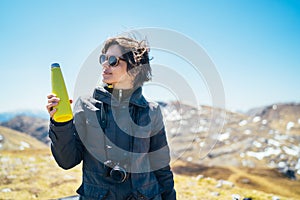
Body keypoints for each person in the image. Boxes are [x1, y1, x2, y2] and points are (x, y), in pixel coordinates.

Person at [46, 36, 176, 200]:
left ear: (134, 68)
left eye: (113, 60)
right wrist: (60, 123)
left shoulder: (151, 111)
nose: (105, 64)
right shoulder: (86, 105)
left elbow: (161, 167)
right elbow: (67, 161)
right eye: (103, 59)